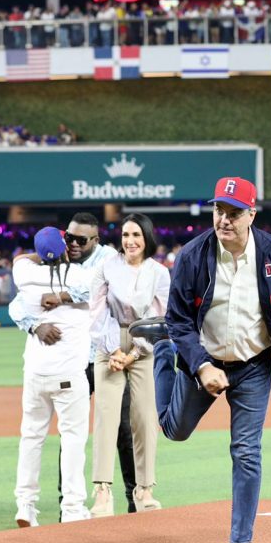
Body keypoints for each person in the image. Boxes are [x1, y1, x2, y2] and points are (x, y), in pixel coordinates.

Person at [130, 176, 271, 543]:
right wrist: (198, 365)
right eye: (219, 211)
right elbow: (180, 318)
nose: (224, 220)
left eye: (234, 213)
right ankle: (163, 350)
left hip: (253, 364)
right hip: (204, 356)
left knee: (246, 451)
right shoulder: (193, 256)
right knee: (174, 430)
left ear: (252, 214)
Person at [9, 212, 139, 515]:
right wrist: (34, 326)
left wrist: (59, 293)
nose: (75, 243)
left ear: (96, 240)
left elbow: (115, 289)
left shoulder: (107, 259)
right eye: (69, 237)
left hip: (106, 357)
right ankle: (67, 505)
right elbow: (18, 308)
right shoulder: (66, 269)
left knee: (121, 429)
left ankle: (135, 497)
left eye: (82, 239)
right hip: (74, 364)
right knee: (70, 437)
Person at [88, 213, 170, 516]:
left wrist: (133, 353)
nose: (130, 241)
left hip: (144, 345)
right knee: (106, 417)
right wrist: (113, 351)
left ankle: (144, 489)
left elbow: (159, 318)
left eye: (136, 235)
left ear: (147, 237)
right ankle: (102, 491)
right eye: (125, 235)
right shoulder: (106, 267)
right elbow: (96, 311)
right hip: (108, 345)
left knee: (146, 418)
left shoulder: (159, 273)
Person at [9, 227, 92, 526]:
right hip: (68, 373)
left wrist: (34, 325)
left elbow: (22, 259)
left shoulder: (23, 273)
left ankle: (25, 505)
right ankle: (72, 507)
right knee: (72, 440)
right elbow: (91, 291)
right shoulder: (81, 274)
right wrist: (60, 294)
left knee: (31, 438)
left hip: (35, 372)